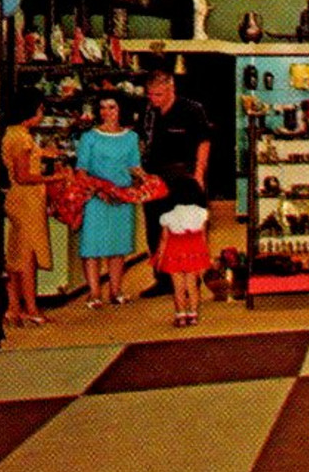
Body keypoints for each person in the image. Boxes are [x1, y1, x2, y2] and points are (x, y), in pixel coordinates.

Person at [138, 70, 211, 297]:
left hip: (184, 177)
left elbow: (203, 142)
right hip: (154, 178)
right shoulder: (148, 113)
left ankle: (190, 279)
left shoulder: (192, 110)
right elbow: (141, 142)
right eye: (150, 95)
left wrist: (199, 175)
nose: (154, 99)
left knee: (186, 229)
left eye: (159, 94)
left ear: (172, 89)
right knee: (155, 229)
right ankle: (163, 279)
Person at [75, 94, 142, 308]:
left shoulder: (131, 137)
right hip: (96, 198)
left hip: (122, 197)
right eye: (103, 108)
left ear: (120, 110)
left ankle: (116, 291)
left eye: (112, 107)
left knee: (118, 246)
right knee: (92, 246)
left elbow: (134, 167)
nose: (107, 112)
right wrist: (98, 189)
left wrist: (146, 181)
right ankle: (94, 293)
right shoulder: (89, 137)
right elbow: (81, 172)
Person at [2, 88, 56, 326]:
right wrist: (53, 178)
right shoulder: (22, 138)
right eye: (41, 109)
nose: (42, 114)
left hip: (18, 199)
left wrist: (44, 152)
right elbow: (23, 176)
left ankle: (14, 309)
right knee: (27, 256)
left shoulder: (12, 133)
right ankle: (31, 308)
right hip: (27, 200)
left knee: (16, 254)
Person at [152, 176, 209, 327]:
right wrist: (204, 255)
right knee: (192, 285)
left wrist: (159, 258)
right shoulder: (201, 213)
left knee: (178, 287)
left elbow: (164, 239)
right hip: (194, 251)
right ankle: (193, 315)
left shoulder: (168, 216)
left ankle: (181, 316)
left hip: (174, 252)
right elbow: (203, 237)